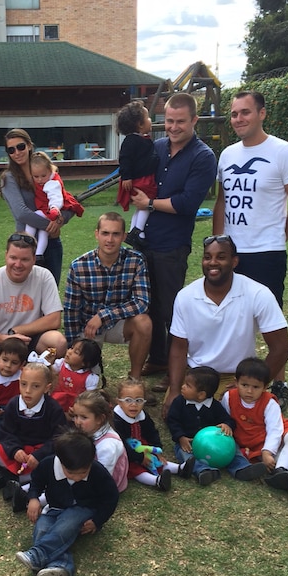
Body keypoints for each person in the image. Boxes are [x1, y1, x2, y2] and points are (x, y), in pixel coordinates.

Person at [213, 90, 288, 408]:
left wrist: (278, 237)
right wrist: (216, 246)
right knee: (230, 317)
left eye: (246, 112)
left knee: (270, 320)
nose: (239, 119)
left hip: (266, 253)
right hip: (231, 253)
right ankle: (230, 376)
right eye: (234, 114)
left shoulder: (283, 151)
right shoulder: (227, 155)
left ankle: (277, 383)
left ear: (262, 114)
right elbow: (222, 201)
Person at [130, 92, 217, 389]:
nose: (174, 127)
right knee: (147, 305)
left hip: (171, 245)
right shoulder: (156, 147)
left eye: (180, 121)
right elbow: (140, 178)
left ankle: (177, 370)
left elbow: (188, 202)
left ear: (194, 120)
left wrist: (150, 203)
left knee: (171, 309)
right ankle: (158, 357)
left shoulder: (203, 156)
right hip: (144, 242)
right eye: (168, 121)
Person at [165, 235, 288, 420]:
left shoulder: (258, 293)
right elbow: (178, 347)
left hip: (238, 376)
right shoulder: (186, 296)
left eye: (221, 257)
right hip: (198, 374)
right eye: (207, 257)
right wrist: (175, 391)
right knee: (180, 417)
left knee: (242, 422)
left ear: (234, 261)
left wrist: (252, 384)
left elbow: (282, 349)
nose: (213, 262)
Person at [16, 430, 119, 576]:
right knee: (42, 529)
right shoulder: (48, 464)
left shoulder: (98, 471)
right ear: (60, 462)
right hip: (54, 508)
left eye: (83, 473)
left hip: (84, 510)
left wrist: (97, 521)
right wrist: (34, 498)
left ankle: (38, 555)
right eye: (71, 473)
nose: (77, 477)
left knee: (67, 523)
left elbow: (111, 497)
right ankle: (61, 567)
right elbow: (36, 481)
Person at [63, 212, 152, 379]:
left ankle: (134, 380)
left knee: (144, 322)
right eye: (105, 233)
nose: (110, 240)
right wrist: (73, 345)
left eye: (116, 234)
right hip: (88, 328)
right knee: (89, 389)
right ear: (97, 234)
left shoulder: (136, 260)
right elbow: (71, 311)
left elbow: (142, 302)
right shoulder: (79, 265)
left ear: (124, 236)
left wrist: (104, 315)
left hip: (118, 324)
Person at [221, 357, 288, 500]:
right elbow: (224, 417)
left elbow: (275, 429)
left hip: (276, 432)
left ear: (265, 387)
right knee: (274, 459)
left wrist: (267, 452)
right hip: (252, 438)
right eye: (244, 385)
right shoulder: (229, 397)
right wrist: (225, 424)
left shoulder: (269, 402)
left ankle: (282, 470)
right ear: (236, 382)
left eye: (255, 387)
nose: (249, 391)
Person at [0, 232, 67, 371]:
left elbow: (54, 320)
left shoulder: (44, 276)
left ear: (34, 259)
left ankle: (45, 379)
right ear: (6, 256)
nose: (18, 264)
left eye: (25, 259)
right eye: (13, 258)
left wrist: (17, 331)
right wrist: (8, 339)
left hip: (31, 341)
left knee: (58, 342)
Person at [165, 366, 266, 486]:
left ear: (201, 395)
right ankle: (204, 471)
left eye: (187, 385)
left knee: (234, 449)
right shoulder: (179, 402)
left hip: (216, 442)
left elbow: (227, 419)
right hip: (189, 442)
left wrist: (227, 425)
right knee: (186, 455)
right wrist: (180, 437)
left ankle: (242, 468)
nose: (183, 387)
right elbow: (172, 421)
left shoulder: (215, 406)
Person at [1, 128, 77, 284]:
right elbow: (21, 213)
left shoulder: (45, 170)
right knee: (29, 296)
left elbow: (65, 200)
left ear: (29, 145)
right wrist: (50, 225)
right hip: (25, 246)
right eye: (11, 149)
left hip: (52, 242)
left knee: (51, 292)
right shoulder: (8, 178)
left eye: (20, 146)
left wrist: (60, 221)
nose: (17, 152)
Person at [0, 362, 67, 497]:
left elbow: (59, 438)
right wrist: (15, 450)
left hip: (40, 451)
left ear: (46, 388)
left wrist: (39, 455)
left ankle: (15, 479)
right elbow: (6, 432)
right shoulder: (13, 404)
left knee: (57, 461)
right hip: (21, 451)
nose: (28, 390)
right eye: (24, 384)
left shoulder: (53, 409)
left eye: (35, 386)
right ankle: (23, 478)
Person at [112, 378, 194, 491]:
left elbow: (152, 432)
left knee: (157, 459)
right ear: (119, 402)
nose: (133, 405)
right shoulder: (116, 421)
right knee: (135, 468)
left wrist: (157, 448)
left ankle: (180, 469)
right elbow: (121, 445)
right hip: (126, 452)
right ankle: (157, 481)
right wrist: (140, 458)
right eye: (128, 400)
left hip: (143, 446)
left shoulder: (143, 415)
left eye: (139, 400)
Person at [24, 151, 84, 264]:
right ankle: (39, 254)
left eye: (43, 176)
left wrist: (54, 209)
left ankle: (27, 243)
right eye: (36, 177)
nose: (40, 180)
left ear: (50, 171)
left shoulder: (52, 183)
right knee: (44, 231)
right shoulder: (43, 179)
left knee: (32, 219)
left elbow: (56, 198)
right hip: (48, 210)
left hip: (50, 211)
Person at [114, 101, 159, 249]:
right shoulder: (132, 140)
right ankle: (139, 232)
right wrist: (126, 176)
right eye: (148, 117)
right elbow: (125, 159)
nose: (150, 120)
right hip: (141, 180)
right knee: (147, 204)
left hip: (142, 178)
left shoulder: (142, 140)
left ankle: (134, 231)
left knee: (140, 207)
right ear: (140, 124)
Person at [70, 391, 129, 492]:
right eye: (75, 416)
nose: (78, 422)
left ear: (100, 419)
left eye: (84, 417)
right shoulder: (90, 429)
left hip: (104, 485)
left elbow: (102, 477)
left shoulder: (107, 446)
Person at [51, 338, 104, 415]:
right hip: (56, 400)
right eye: (71, 348)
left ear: (85, 363)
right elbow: (48, 374)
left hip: (75, 406)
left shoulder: (89, 378)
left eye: (76, 352)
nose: (69, 352)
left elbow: (90, 397)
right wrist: (49, 362)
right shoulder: (61, 364)